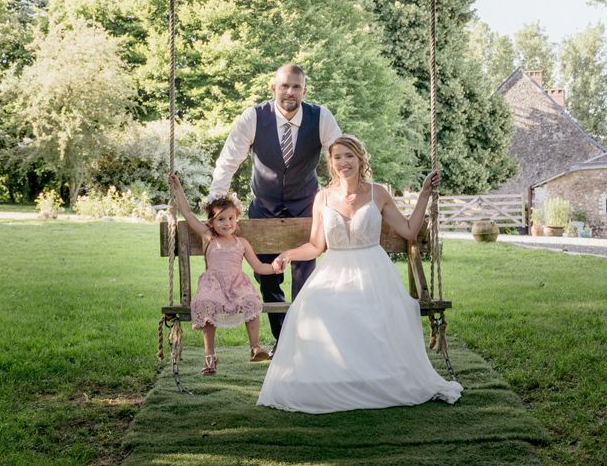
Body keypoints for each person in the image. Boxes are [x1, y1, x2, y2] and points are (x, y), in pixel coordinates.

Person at [256, 134, 463, 413]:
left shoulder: (378, 193)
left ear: (360, 158)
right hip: (334, 269)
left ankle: (374, 379)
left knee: (376, 315)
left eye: (349, 155)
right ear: (331, 163)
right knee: (309, 309)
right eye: (338, 156)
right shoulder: (323, 197)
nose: (344, 162)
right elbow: (316, 246)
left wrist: (425, 193)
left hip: (372, 271)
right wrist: (288, 254)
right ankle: (336, 379)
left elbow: (409, 231)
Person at [208, 64, 341, 356]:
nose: (290, 92)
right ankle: (284, 340)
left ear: (304, 90)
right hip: (264, 211)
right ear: (273, 88)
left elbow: (340, 157)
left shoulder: (321, 118)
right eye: (284, 86)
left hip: (307, 210)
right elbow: (230, 160)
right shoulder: (254, 117)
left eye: (296, 87)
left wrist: (347, 197)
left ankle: (304, 342)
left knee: (305, 278)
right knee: (268, 277)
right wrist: (215, 200)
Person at [168, 173, 280, 375]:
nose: (227, 223)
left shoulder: (242, 243)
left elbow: (259, 267)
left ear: (236, 218)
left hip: (237, 285)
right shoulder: (208, 236)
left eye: (231, 218)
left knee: (252, 302)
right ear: (211, 222)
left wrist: (275, 267)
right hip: (214, 284)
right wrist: (177, 188)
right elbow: (188, 213)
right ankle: (209, 355)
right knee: (206, 304)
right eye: (221, 219)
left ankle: (254, 348)